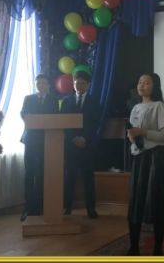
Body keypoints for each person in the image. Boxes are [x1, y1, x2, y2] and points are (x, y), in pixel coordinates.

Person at [126, 73, 164, 256]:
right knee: (135, 203)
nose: (142, 85)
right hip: (139, 159)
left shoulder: (159, 106)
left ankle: (157, 250)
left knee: (157, 203)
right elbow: (133, 133)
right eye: (140, 82)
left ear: (155, 86)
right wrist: (132, 137)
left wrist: (143, 132)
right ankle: (134, 248)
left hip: (156, 160)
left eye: (146, 83)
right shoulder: (136, 107)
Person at [60, 70, 101, 219]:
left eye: (83, 83)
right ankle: (67, 207)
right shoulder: (66, 101)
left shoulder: (94, 101)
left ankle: (91, 208)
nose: (79, 86)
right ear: (73, 84)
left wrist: (84, 139)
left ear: (88, 85)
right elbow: (63, 122)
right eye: (77, 83)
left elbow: (95, 124)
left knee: (88, 178)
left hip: (87, 146)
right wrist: (73, 138)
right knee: (69, 178)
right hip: (70, 147)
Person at [20, 74, 59, 222]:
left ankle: (41, 207)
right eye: (38, 83)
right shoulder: (28, 98)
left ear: (48, 85)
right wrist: (29, 117)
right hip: (31, 139)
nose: (41, 85)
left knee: (43, 173)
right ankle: (28, 207)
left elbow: (55, 117)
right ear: (36, 84)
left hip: (47, 140)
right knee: (29, 173)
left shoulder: (53, 100)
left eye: (43, 83)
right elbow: (23, 114)